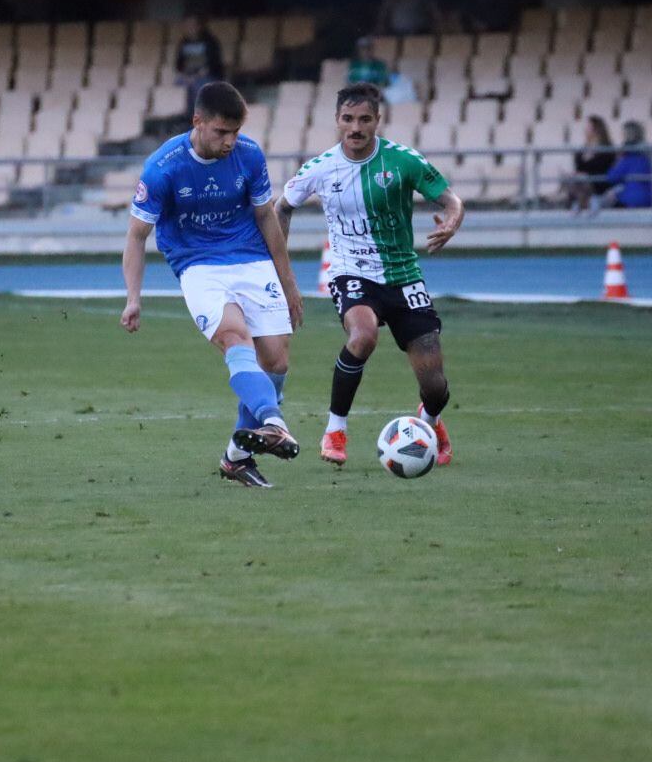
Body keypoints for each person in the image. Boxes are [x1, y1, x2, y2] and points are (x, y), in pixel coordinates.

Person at [121, 81, 304, 489]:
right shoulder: (163, 168)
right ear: (198, 122)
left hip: (252, 259)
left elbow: (266, 218)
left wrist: (288, 282)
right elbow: (136, 236)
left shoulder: (249, 155)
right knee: (235, 338)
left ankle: (236, 459)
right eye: (222, 132)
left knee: (275, 360)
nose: (230, 141)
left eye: (235, 132)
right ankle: (274, 422)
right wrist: (134, 298)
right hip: (197, 266)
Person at [276, 82, 464, 467]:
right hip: (351, 272)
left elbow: (450, 199)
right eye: (348, 119)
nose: (356, 127)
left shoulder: (403, 161)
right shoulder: (321, 167)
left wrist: (452, 220)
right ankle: (335, 430)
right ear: (337, 121)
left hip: (404, 276)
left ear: (378, 120)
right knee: (362, 337)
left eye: (364, 119)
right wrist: (280, 267)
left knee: (435, 385)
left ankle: (428, 423)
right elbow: (281, 207)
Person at [568, 114, 616, 213]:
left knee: (580, 179)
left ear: (596, 129)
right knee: (573, 179)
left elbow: (603, 168)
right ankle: (583, 203)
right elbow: (578, 166)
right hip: (582, 183)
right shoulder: (582, 150)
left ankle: (581, 204)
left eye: (588, 127)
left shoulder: (607, 149)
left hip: (599, 183)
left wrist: (586, 174)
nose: (585, 130)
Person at [604, 120, 652, 208]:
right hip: (651, 198)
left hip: (632, 201)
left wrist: (616, 161)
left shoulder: (629, 158)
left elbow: (611, 177)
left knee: (608, 198)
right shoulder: (649, 156)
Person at [173, 15, 224, 94]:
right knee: (178, 84)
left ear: (199, 26)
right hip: (188, 76)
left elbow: (213, 64)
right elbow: (179, 65)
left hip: (207, 76)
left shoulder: (211, 41)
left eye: (192, 25)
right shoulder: (183, 43)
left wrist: (195, 77)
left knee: (197, 85)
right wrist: (185, 76)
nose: (189, 28)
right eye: (187, 25)